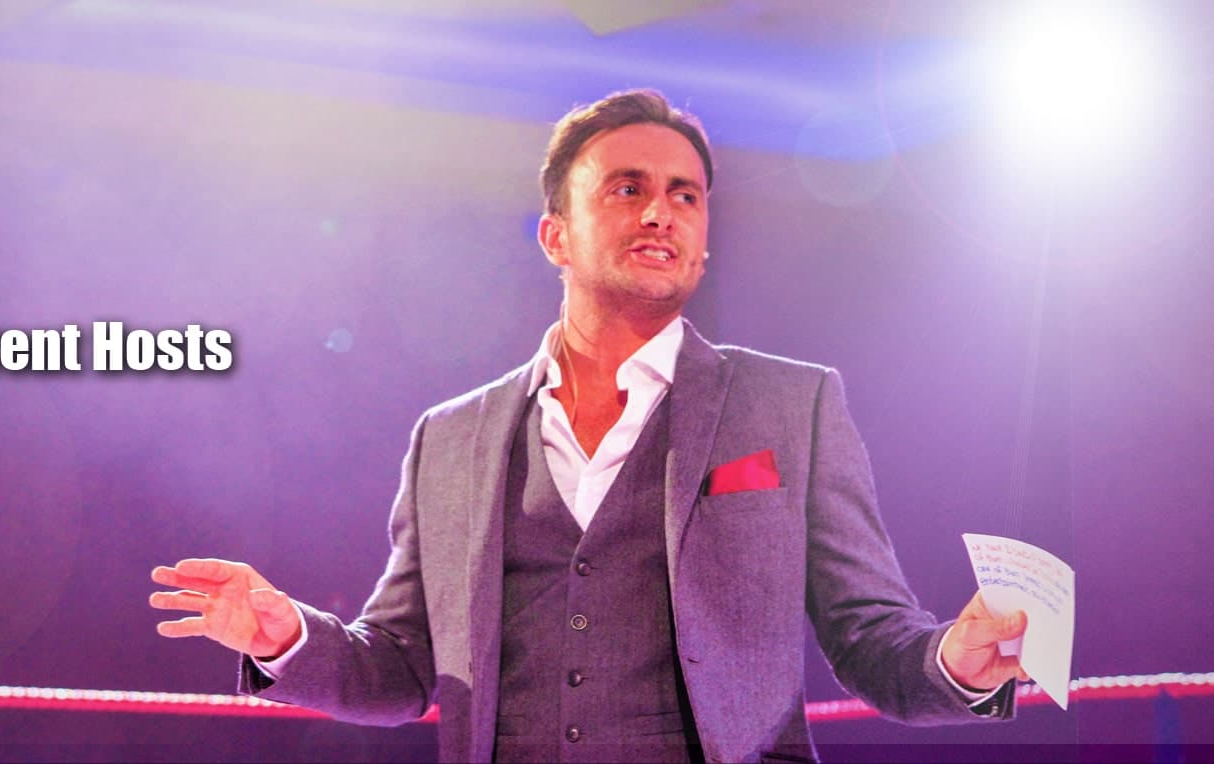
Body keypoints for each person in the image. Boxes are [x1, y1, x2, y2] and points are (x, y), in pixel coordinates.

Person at [150, 89, 1028, 763]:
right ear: (555, 237)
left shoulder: (791, 404)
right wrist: (287, 636)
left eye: (685, 196)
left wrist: (957, 659)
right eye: (626, 189)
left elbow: (871, 638)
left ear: (703, 240)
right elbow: (406, 668)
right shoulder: (449, 440)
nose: (661, 212)